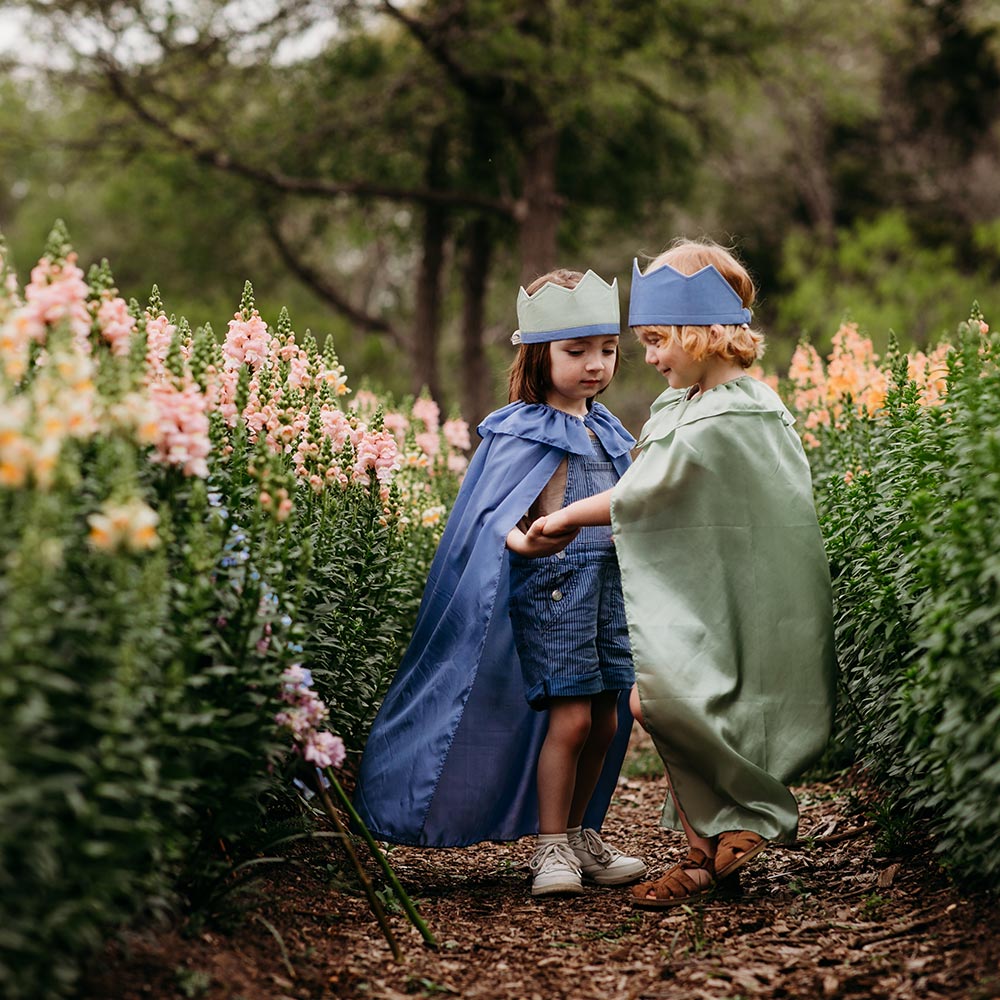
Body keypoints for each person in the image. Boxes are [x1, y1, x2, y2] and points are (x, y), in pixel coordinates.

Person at [527, 239, 836, 908]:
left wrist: (568, 516)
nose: (649, 357)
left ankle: (739, 819)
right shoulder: (683, 406)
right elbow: (651, 487)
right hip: (694, 588)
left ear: (700, 333)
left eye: (658, 340)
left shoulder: (738, 413)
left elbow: (646, 494)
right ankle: (706, 848)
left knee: (668, 702)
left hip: (738, 594)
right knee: (658, 700)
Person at [354, 268, 647, 898]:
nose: (595, 365)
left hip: (608, 592)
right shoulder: (520, 428)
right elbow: (494, 516)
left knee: (605, 720)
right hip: (555, 591)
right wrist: (525, 541)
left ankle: (581, 833)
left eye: (606, 350)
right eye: (577, 351)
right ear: (539, 354)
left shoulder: (606, 428)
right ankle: (550, 847)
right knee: (571, 721)